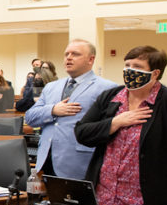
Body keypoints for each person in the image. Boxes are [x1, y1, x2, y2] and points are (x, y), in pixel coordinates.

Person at [75, 45, 167, 205]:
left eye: (137, 66)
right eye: (127, 65)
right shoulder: (110, 98)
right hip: (104, 200)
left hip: (149, 204)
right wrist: (115, 122)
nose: (130, 70)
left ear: (155, 73)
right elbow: (82, 132)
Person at [24, 40, 116, 179]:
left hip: (80, 161)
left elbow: (107, 128)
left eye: (76, 54)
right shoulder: (51, 87)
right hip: (46, 159)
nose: (69, 57)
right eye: (66, 54)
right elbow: (30, 117)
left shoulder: (107, 88)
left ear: (91, 59)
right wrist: (53, 110)